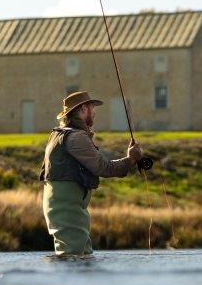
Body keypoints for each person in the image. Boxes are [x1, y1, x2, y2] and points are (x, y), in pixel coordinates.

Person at [40, 91, 143, 257]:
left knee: (82, 255)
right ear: (83, 109)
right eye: (92, 108)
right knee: (73, 257)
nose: (94, 112)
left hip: (67, 206)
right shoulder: (76, 137)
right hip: (67, 207)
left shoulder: (60, 134)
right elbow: (104, 168)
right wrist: (131, 159)